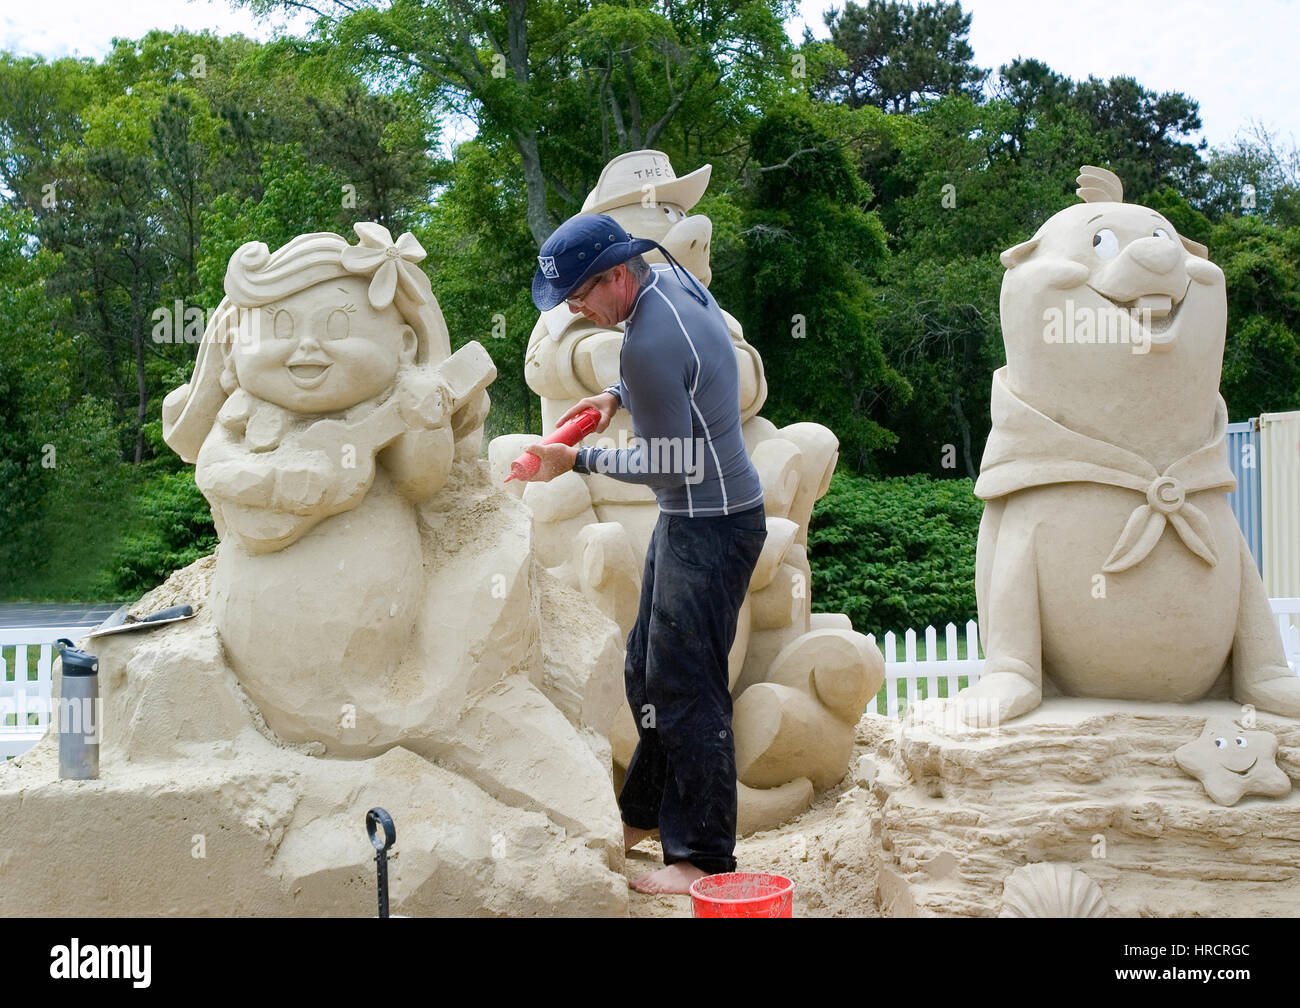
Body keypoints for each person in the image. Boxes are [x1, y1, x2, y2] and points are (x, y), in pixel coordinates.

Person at [521, 212, 767, 895]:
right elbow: (691, 373)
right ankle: (646, 815)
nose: (575, 311)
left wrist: (574, 459)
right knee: (648, 671)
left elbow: (670, 464)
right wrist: (615, 397)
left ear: (617, 276)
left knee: (688, 690)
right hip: (707, 516)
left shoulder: (646, 341)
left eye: (579, 297)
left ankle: (704, 858)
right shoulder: (676, 286)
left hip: (707, 523)